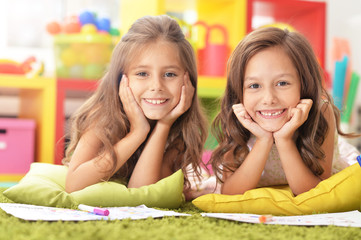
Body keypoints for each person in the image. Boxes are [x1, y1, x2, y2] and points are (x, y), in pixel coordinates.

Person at [63, 15, 208, 194]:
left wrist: (164, 125)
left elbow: (142, 191)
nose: (156, 86)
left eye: (170, 74)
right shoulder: (103, 116)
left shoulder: (181, 129)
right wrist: (137, 133)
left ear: (189, 80)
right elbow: (74, 185)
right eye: (142, 74)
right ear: (121, 79)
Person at [210, 27, 360, 196]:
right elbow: (230, 192)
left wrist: (284, 140)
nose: (269, 98)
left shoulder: (321, 112)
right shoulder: (237, 116)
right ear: (239, 92)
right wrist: (263, 140)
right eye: (254, 86)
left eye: (282, 83)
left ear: (304, 84)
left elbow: (314, 195)